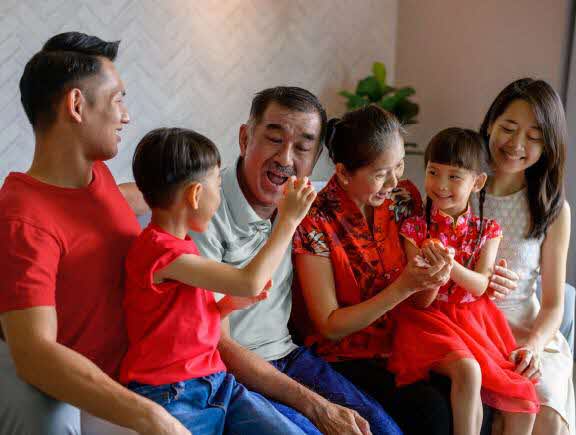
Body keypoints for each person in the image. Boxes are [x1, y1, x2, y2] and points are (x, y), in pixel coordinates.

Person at [0, 32, 189, 435]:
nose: (126, 116)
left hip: (152, 377)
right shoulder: (23, 221)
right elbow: (34, 354)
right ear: (76, 105)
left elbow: (118, 204)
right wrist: (152, 418)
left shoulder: (95, 176)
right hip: (99, 400)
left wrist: (193, 191)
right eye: (117, 99)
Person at [191, 87, 402, 435]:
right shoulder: (204, 208)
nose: (285, 157)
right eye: (274, 139)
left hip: (289, 356)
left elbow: (371, 193)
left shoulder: (304, 204)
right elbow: (218, 344)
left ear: (316, 156)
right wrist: (316, 406)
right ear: (245, 139)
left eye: (303, 147)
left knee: (382, 430)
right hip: (229, 372)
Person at [122, 127, 319, 434]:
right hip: (172, 394)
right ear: (195, 195)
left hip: (217, 382)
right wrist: (288, 220)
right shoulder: (159, 251)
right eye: (217, 184)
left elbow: (182, 322)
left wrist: (227, 306)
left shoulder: (183, 245)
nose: (220, 194)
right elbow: (250, 281)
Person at [292, 104, 457, 435]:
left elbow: (420, 301)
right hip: (345, 359)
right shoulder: (314, 221)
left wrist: (435, 277)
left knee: (471, 395)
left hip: (405, 344)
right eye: (381, 174)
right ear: (343, 173)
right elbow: (329, 326)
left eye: (399, 165)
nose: (394, 180)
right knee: (433, 413)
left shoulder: (403, 200)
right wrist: (403, 287)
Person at [387, 128, 539, 435]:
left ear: (477, 182)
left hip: (474, 320)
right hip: (427, 321)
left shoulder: (488, 230)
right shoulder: (414, 228)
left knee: (523, 392)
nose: (441, 185)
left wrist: (450, 266)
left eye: (454, 176)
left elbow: (481, 285)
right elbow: (419, 301)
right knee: (469, 371)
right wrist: (434, 276)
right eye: (433, 172)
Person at [476, 78, 575, 435]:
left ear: (548, 146)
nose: (517, 144)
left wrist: (533, 346)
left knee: (545, 405)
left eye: (534, 137)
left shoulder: (552, 209)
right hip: (470, 329)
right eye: (508, 128)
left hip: (527, 334)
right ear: (490, 123)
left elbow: (553, 304)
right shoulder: (459, 187)